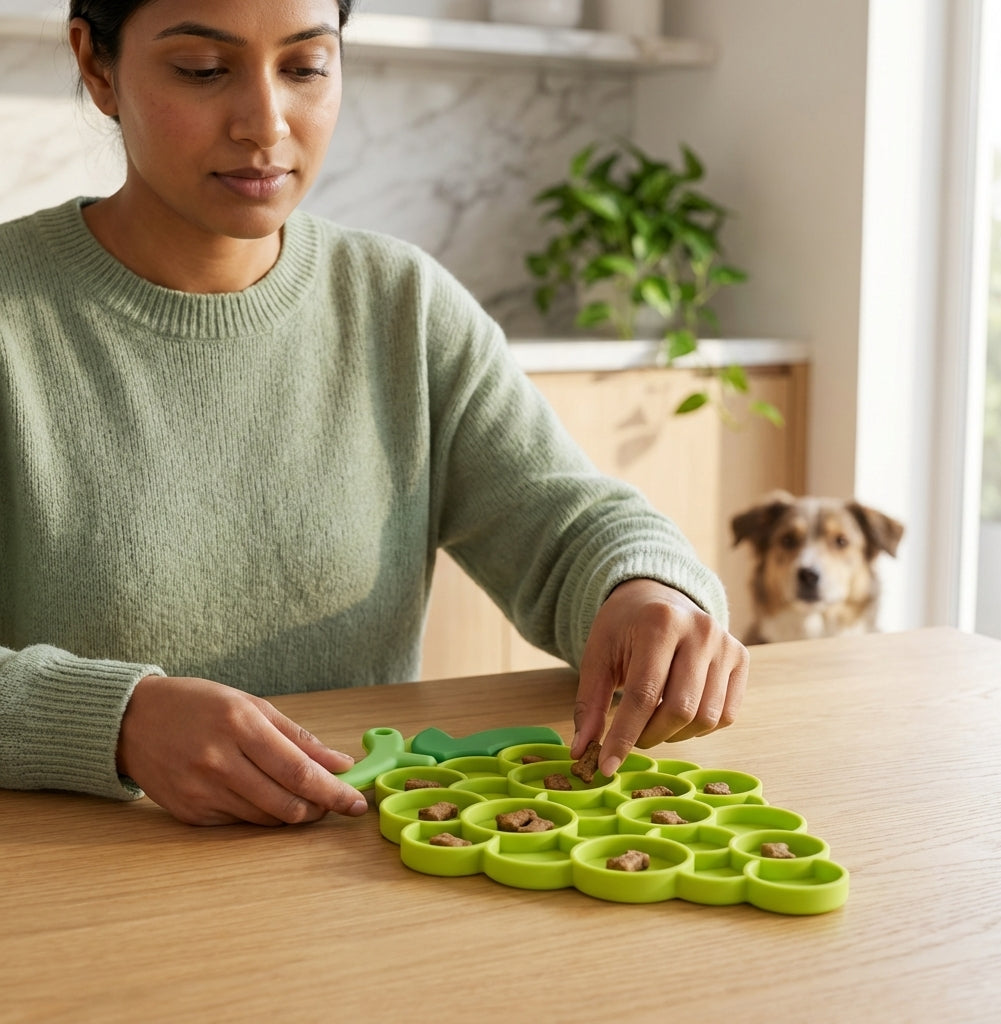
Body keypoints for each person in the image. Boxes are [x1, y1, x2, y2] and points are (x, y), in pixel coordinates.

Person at [0, 0, 749, 827]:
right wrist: (115, 722)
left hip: (362, 879)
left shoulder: (401, 304)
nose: (265, 123)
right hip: (72, 900)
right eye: (204, 71)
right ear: (98, 66)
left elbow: (567, 523)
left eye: (305, 67)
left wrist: (644, 590)